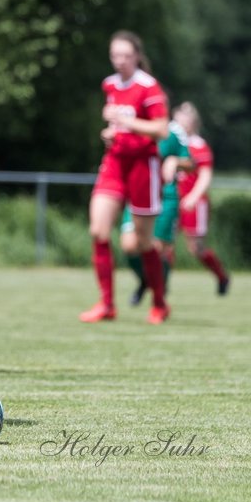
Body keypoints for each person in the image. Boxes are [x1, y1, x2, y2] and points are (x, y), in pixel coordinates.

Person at [79, 30, 171, 325]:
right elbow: (116, 125)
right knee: (98, 231)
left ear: (136, 56)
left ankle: (159, 303)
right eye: (114, 55)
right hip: (115, 162)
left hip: (143, 167)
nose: (119, 61)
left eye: (125, 55)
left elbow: (161, 129)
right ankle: (107, 304)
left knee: (143, 242)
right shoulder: (110, 85)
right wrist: (110, 133)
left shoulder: (149, 87)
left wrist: (127, 122)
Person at [122, 115, 191, 306]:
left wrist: (175, 161)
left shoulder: (174, 134)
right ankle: (146, 280)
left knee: (158, 248)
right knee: (129, 245)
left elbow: (191, 163)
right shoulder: (133, 128)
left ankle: (159, 294)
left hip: (164, 196)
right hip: (138, 191)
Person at [173, 101, 231, 295]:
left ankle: (221, 276)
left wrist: (193, 197)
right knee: (162, 244)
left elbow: (205, 176)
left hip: (194, 203)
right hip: (172, 199)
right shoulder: (172, 142)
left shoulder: (199, 146)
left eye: (186, 119)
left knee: (196, 248)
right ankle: (160, 287)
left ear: (194, 123)